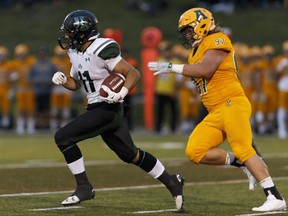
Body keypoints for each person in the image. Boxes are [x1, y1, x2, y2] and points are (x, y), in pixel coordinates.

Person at [148, 7, 286, 212]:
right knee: (195, 151)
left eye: (189, 29)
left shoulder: (218, 39)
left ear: (202, 24)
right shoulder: (196, 50)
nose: (186, 35)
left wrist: (172, 67)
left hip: (232, 103)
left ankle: (275, 197)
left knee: (243, 147)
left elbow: (206, 69)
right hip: (215, 110)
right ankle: (239, 162)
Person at [52, 10, 185, 212]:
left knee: (63, 137)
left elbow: (133, 72)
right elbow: (76, 84)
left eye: (70, 33)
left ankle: (84, 187)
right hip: (99, 108)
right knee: (130, 155)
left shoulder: (101, 48)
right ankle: (172, 181)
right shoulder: (75, 52)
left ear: (82, 33)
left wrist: (122, 91)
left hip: (108, 107)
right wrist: (64, 81)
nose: (67, 37)